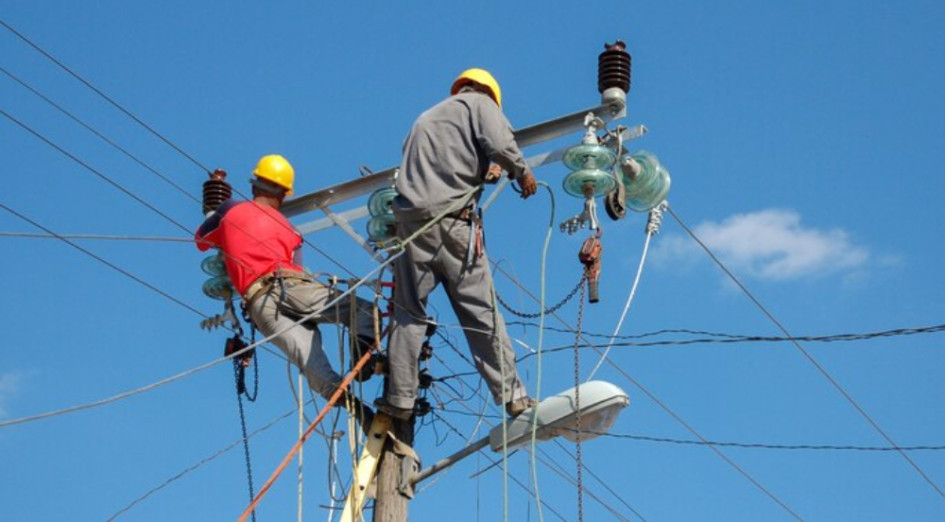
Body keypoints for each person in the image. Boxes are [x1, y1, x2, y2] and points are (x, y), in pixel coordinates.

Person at [375, 68, 539, 421]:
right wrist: (520, 171)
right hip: (452, 224)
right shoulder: (479, 104)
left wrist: (482, 171)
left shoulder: (426, 118)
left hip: (411, 228)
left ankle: (400, 399)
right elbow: (499, 141)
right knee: (480, 313)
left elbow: (438, 168)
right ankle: (512, 394)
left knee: (407, 313)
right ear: (487, 93)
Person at [195, 154, 376, 426]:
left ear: (255, 186)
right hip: (289, 286)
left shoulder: (230, 211)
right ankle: (364, 358)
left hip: (259, 306)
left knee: (311, 361)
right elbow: (298, 272)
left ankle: (356, 408)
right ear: (284, 195)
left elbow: (201, 239)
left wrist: (216, 209)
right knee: (363, 312)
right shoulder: (290, 231)